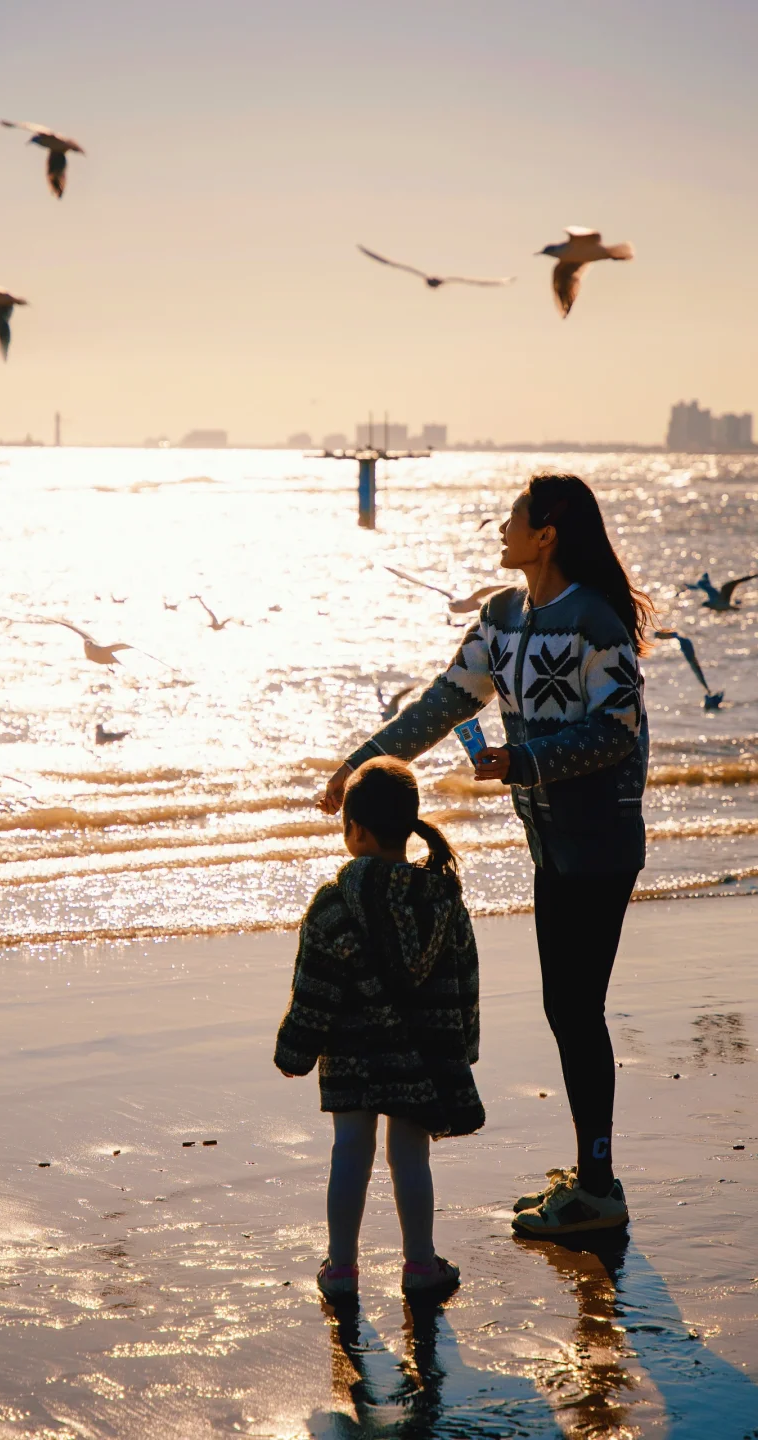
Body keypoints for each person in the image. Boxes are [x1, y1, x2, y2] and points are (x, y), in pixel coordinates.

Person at [320, 473, 652, 1239]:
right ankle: (593, 1178)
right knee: (563, 1008)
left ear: (547, 536)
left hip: (601, 841)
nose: (500, 530)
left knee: (577, 1010)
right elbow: (441, 705)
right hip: (550, 843)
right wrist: (358, 765)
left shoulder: (595, 622)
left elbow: (617, 731)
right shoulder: (503, 617)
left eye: (512, 519)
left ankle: (599, 1187)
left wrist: (522, 762)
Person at [275, 756, 484, 1300]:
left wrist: (295, 1049)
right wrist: (465, 1042)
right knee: (410, 1155)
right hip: (422, 1052)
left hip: (350, 1052)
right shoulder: (442, 899)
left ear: (356, 831)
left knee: (350, 1150)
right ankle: (420, 1265)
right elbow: (466, 976)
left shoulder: (333, 903)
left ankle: (341, 1270)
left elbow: (312, 988)